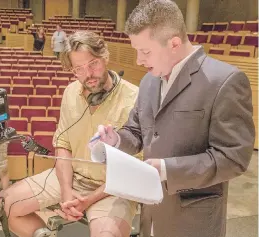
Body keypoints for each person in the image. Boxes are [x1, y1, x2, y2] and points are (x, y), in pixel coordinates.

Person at [91, 1, 255, 237]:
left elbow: (234, 157)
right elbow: (137, 132)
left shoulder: (225, 81)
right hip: (151, 213)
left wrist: (167, 169)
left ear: (174, 43)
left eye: (145, 51)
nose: (138, 60)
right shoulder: (149, 81)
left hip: (192, 218)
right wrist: (116, 139)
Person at [1, 31, 139, 237]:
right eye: (79, 69)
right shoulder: (70, 92)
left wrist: (89, 199)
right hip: (71, 178)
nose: (88, 75)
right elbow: (63, 145)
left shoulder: (134, 98)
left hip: (112, 187)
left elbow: (134, 169)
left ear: (105, 57)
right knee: (7, 203)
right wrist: (66, 191)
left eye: (93, 64)